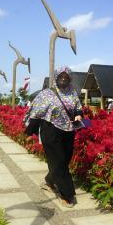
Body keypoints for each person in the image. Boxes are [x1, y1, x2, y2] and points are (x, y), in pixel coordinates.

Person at [24, 66, 83, 208]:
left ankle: (49, 182)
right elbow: (36, 113)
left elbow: (77, 107)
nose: (63, 79)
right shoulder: (46, 94)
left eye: (66, 77)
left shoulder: (72, 93)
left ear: (69, 78)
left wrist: (78, 114)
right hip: (50, 130)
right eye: (61, 76)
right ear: (56, 78)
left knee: (65, 159)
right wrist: (29, 131)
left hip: (69, 130)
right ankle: (67, 194)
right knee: (58, 161)